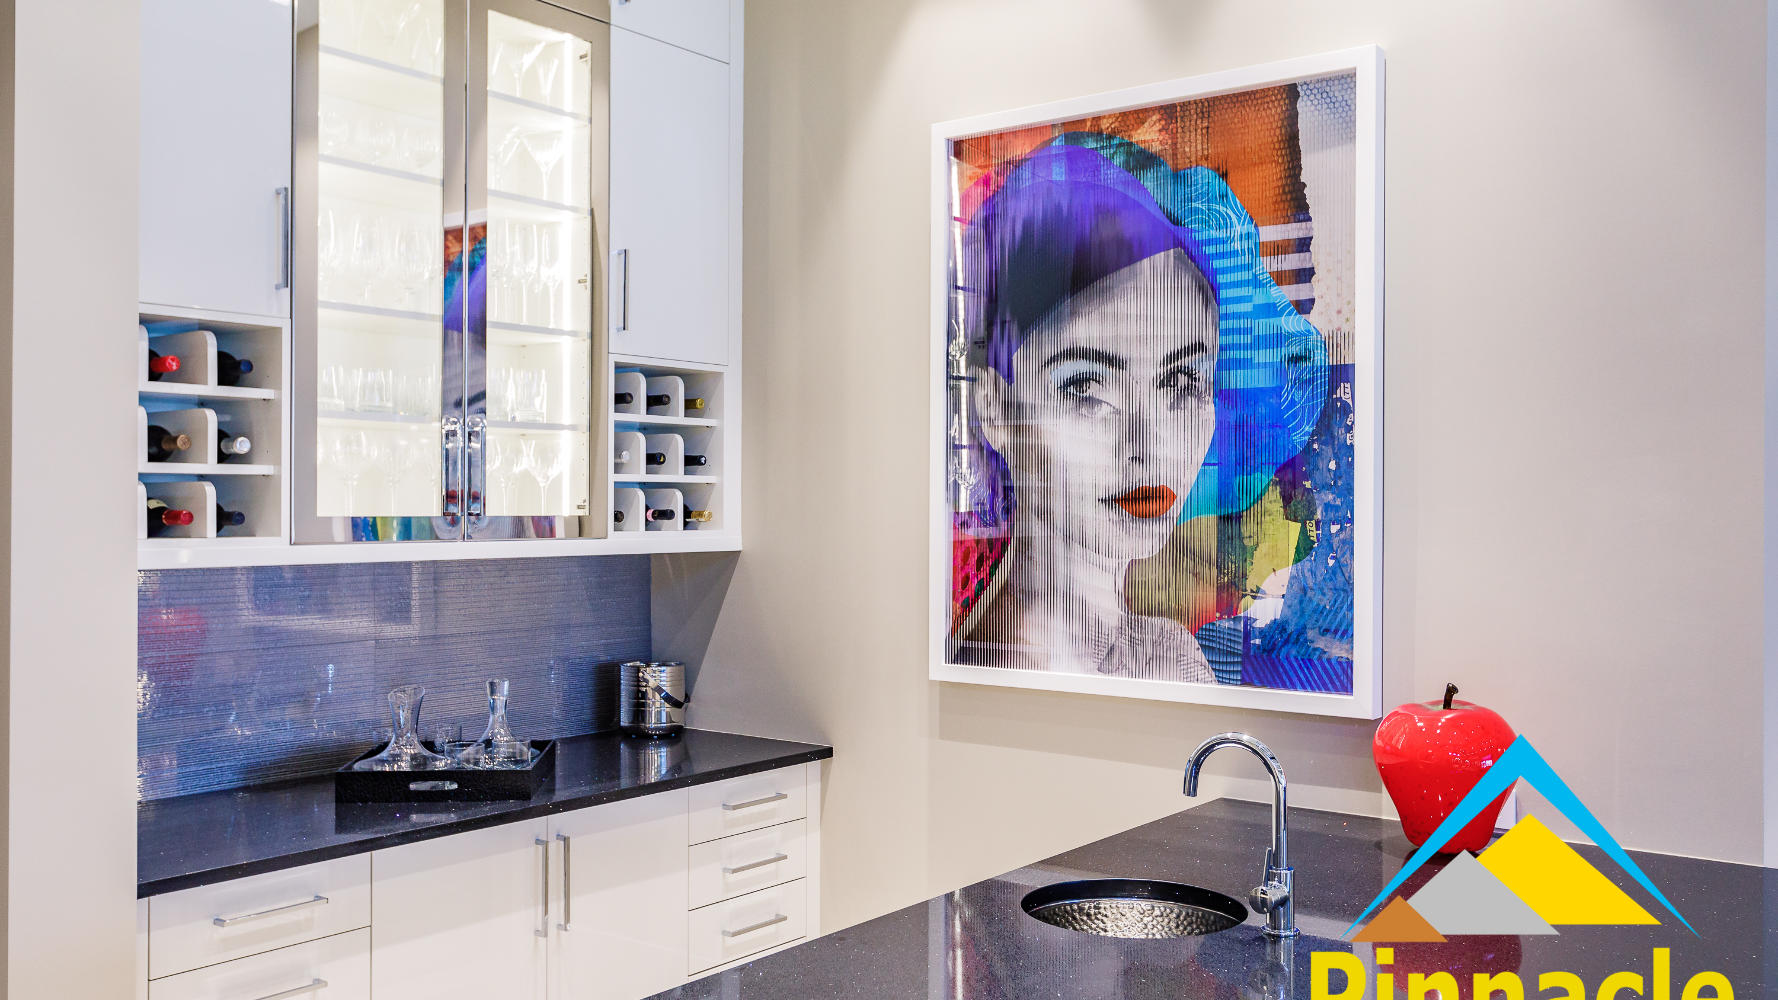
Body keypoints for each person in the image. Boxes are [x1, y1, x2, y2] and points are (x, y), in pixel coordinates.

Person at [949, 135, 1328, 682]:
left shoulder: (1168, 658)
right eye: (1087, 389)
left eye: (1181, 383)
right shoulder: (982, 676)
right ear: (996, 407)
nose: (1149, 445)